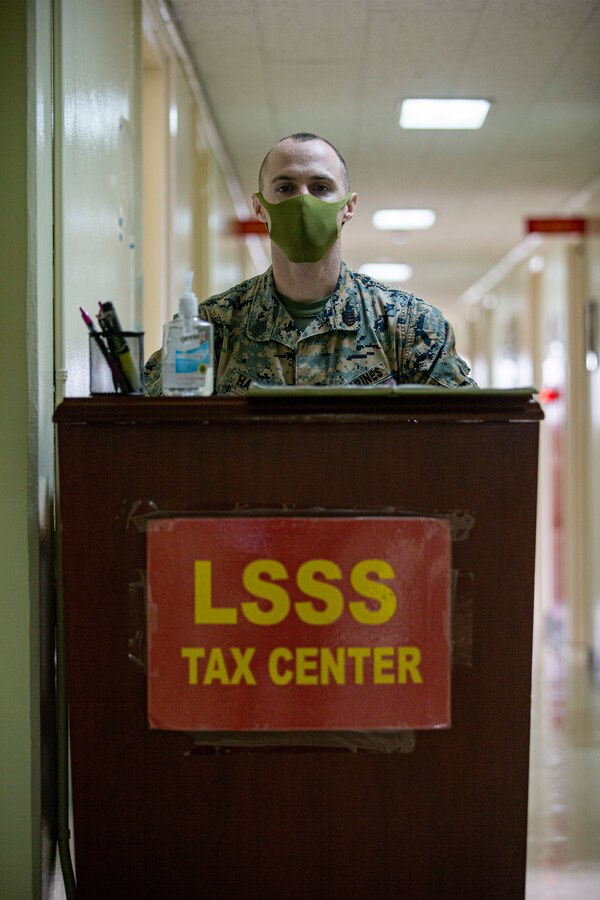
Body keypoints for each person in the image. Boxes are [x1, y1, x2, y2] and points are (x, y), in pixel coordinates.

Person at [144, 132, 476, 395]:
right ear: (259, 208)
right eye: (285, 188)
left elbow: (465, 434)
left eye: (320, 187)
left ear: (349, 206)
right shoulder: (210, 328)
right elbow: (154, 427)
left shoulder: (408, 326)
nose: (303, 201)